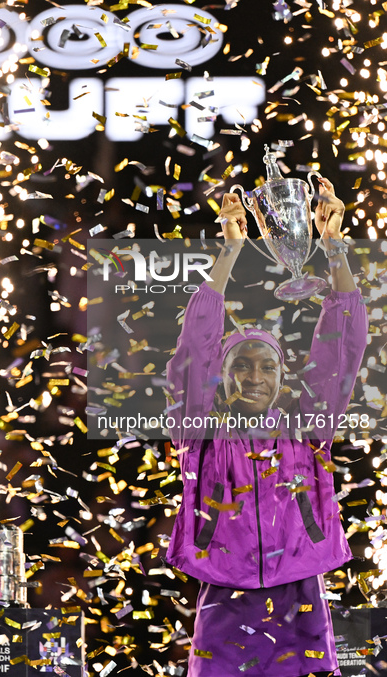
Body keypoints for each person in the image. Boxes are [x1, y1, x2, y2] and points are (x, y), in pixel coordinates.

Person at [165, 177, 369, 677]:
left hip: (300, 587)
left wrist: (333, 249)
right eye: (242, 365)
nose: (254, 376)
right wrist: (230, 251)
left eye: (266, 368)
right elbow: (195, 346)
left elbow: (343, 349)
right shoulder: (200, 430)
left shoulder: (307, 424)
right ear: (224, 375)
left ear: (283, 379)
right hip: (224, 588)